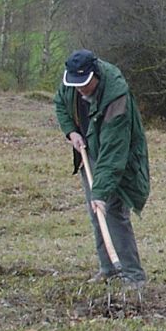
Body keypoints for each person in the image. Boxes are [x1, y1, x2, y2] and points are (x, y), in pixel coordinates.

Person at [53, 49, 150, 288]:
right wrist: (71, 132)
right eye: (76, 84)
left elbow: (113, 152)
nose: (80, 89)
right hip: (89, 151)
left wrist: (100, 191)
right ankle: (108, 269)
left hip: (118, 157)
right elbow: (61, 105)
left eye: (85, 84)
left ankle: (134, 276)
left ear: (95, 75)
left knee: (114, 212)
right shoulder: (71, 82)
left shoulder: (116, 96)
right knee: (96, 214)